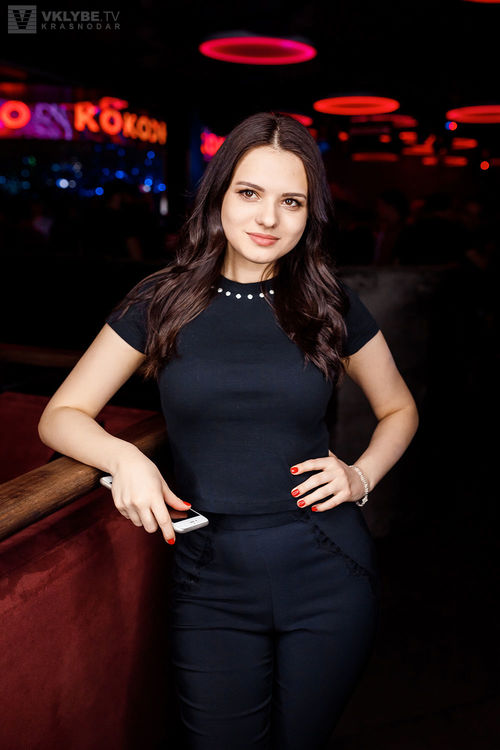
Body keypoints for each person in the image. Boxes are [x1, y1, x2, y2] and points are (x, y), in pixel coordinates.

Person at [38, 111, 419, 750]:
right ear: (218, 196)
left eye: (291, 201)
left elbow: (400, 409)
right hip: (209, 581)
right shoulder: (161, 300)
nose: (268, 218)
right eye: (249, 193)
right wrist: (123, 457)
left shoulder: (328, 302)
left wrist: (360, 476)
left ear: (310, 215)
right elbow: (61, 415)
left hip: (327, 568)